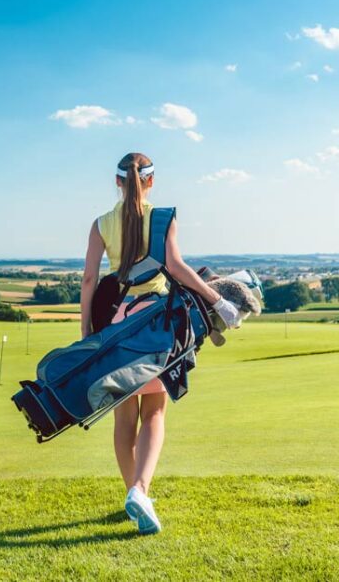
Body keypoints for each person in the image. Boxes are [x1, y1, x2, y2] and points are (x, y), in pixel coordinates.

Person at [80, 152, 241, 535]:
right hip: (156, 325)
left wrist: (86, 332)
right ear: (150, 181)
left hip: (116, 325)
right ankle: (140, 490)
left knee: (124, 417)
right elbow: (177, 269)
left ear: (117, 182)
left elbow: (88, 281)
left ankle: (132, 495)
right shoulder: (163, 217)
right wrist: (218, 301)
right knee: (154, 412)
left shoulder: (101, 224)